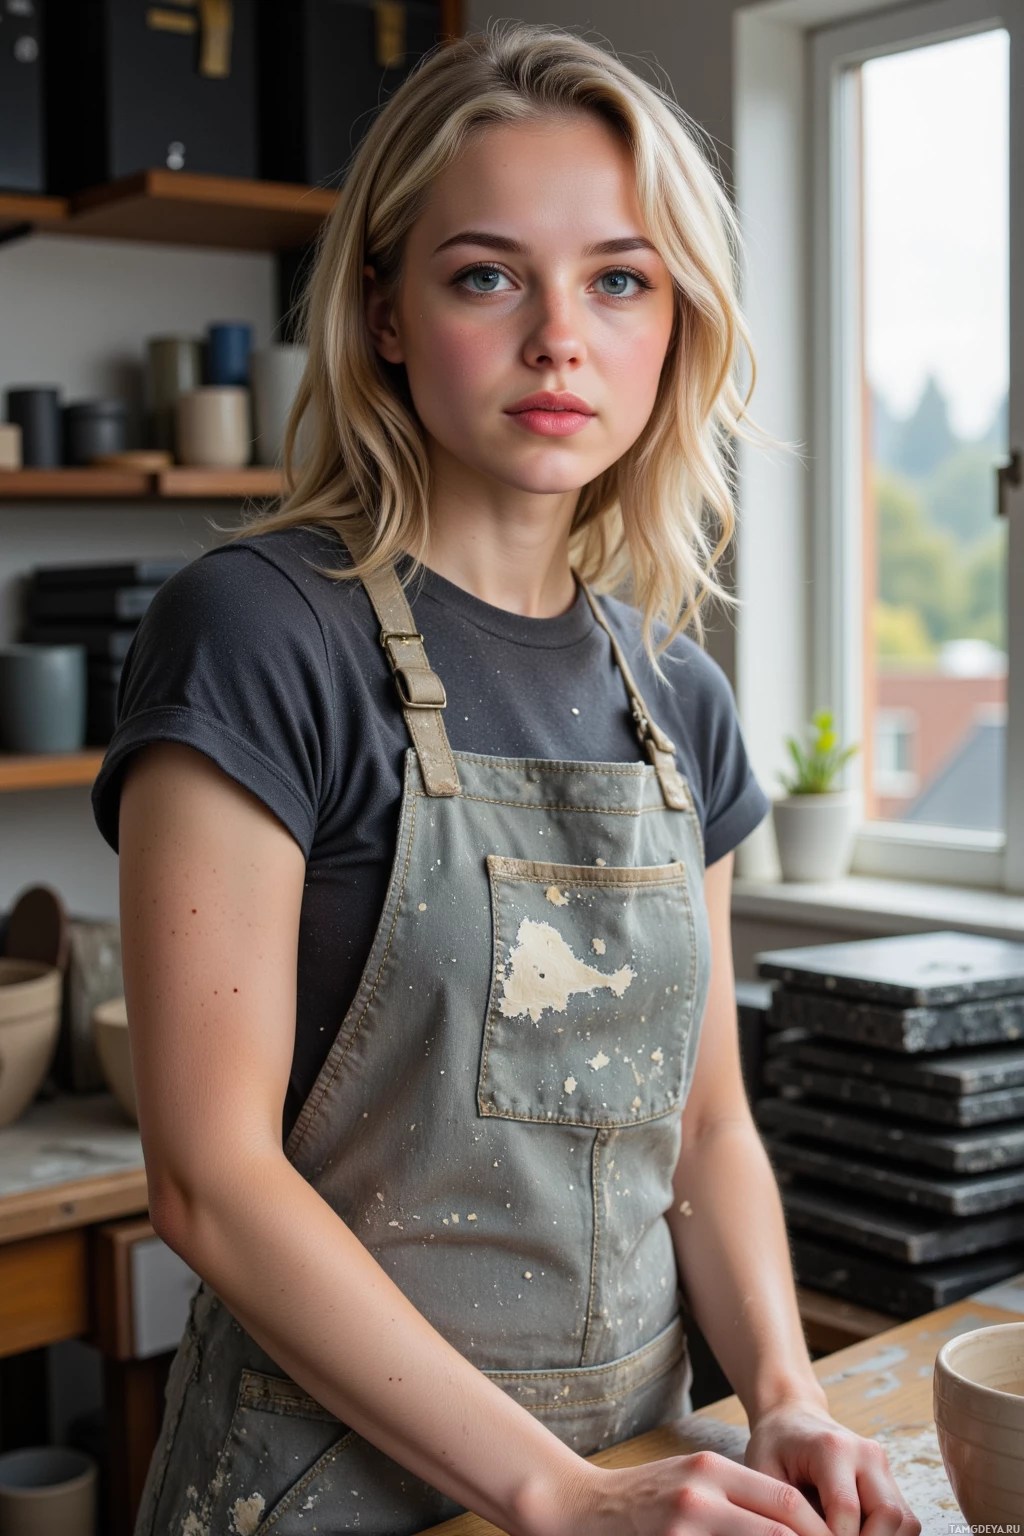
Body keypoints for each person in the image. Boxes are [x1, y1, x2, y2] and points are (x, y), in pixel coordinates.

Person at [92, 23, 920, 1536]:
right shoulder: (261, 634)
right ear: (387, 314)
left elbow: (707, 1131)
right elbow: (207, 1180)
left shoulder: (678, 695)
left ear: (679, 322)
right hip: (326, 1487)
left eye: (620, 278)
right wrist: (554, 1495)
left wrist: (788, 1392)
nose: (561, 336)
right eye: (487, 274)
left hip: (645, 1471)